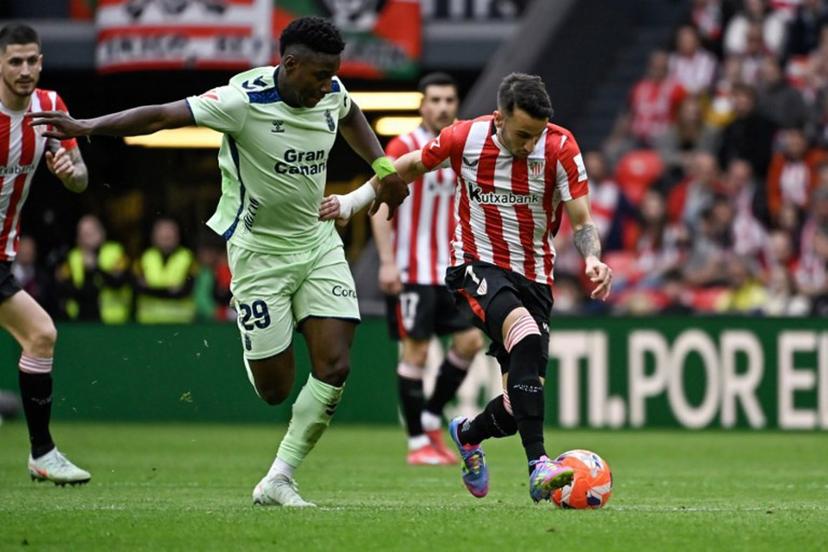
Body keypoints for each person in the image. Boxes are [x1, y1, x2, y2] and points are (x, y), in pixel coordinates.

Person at [30, 16, 407, 507]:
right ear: (290, 64)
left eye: (332, 74)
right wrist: (88, 126)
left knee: (335, 365)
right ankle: (261, 341)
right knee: (276, 390)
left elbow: (351, 111)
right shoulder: (240, 101)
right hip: (258, 255)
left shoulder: (329, 89)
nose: (327, 84)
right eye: (318, 75)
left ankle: (279, 477)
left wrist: (381, 166)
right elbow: (163, 116)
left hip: (317, 242)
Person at [322, 73, 613, 503]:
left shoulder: (561, 147)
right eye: (521, 134)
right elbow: (407, 165)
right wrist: (351, 201)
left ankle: (467, 433)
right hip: (476, 266)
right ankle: (538, 465)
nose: (529, 144)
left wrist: (592, 256)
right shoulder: (466, 138)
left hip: (535, 276)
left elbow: (583, 221)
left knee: (519, 403)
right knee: (524, 334)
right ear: (499, 119)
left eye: (536, 135)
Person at [371, 72, 484, 466]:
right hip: (411, 270)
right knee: (416, 352)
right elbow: (382, 206)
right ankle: (418, 442)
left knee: (471, 341)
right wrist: (386, 262)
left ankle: (433, 415)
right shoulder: (404, 145)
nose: (442, 107)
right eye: (434, 100)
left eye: (449, 100)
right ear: (422, 105)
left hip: (452, 271)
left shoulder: (464, 148)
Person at [0, 23, 90, 484]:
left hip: (1, 256)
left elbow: (81, 179)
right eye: (15, 61)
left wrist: (66, 168)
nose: (25, 70)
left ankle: (42, 454)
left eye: (32, 60)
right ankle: (43, 452)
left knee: (40, 336)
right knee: (41, 334)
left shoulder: (50, 107)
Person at [56, 214, 131, 323]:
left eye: (91, 232)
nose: (86, 237)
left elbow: (119, 282)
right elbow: (62, 289)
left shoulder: (116, 252)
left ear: (102, 233)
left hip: (112, 321)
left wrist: (95, 267)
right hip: (79, 320)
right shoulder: (72, 257)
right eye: (83, 233)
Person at [134, 218, 197, 324]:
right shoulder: (143, 257)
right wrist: (170, 290)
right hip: (148, 324)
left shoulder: (188, 257)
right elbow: (138, 288)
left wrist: (152, 288)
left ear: (178, 235)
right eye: (162, 231)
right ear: (153, 235)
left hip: (181, 323)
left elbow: (186, 289)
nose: (166, 236)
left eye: (170, 231)